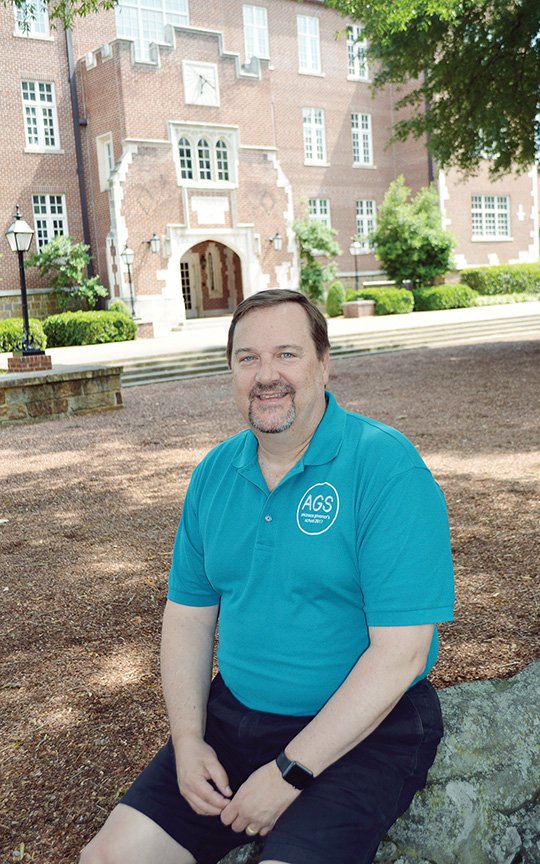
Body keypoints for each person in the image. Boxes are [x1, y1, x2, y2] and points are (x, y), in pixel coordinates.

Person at [80, 289, 454, 864]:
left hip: (368, 730)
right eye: (247, 358)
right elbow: (187, 616)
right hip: (237, 717)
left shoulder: (385, 467)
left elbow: (402, 654)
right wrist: (188, 741)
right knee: (110, 857)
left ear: (323, 363)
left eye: (287, 354)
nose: (266, 375)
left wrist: (288, 773)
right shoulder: (214, 472)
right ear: (230, 370)